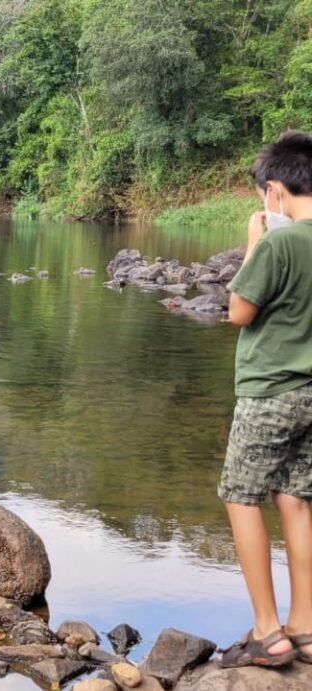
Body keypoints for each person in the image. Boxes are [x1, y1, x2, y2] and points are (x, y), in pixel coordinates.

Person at [216, 130, 312, 669]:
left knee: (241, 495)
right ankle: (306, 626)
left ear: (275, 191)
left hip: (270, 390)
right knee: (296, 498)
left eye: (262, 197)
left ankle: (268, 630)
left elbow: (238, 312)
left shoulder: (279, 241)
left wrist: (254, 242)